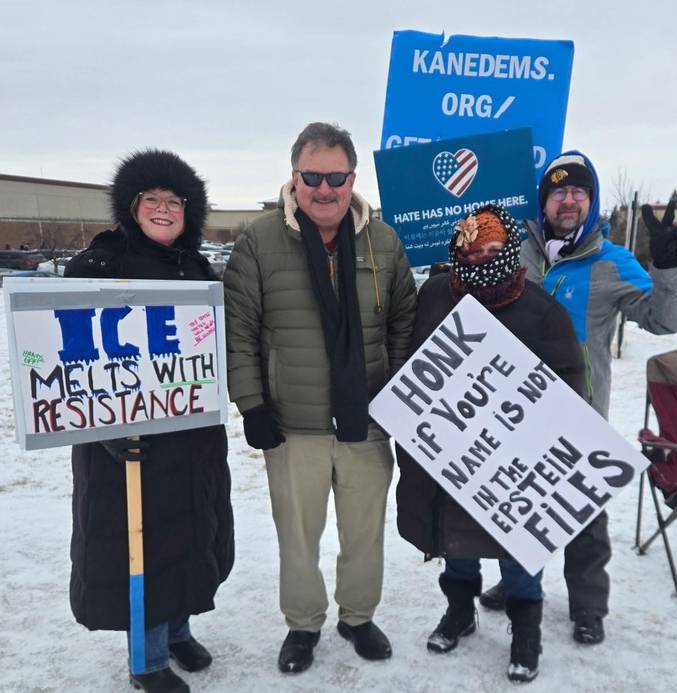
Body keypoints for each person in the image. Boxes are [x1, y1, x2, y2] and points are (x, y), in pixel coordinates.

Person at [224, 122, 417, 675]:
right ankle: (303, 623)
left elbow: (404, 318)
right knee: (297, 537)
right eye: (313, 176)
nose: (324, 189)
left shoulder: (383, 241)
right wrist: (253, 405)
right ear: (294, 177)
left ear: (353, 179)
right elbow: (240, 329)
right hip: (293, 424)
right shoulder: (260, 240)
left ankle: (357, 616)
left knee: (364, 532)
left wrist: (401, 389)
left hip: (368, 422)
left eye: (336, 177)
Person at [479, 151, 677, 645]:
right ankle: (515, 582)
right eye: (558, 191)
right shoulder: (515, 253)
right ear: (544, 200)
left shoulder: (612, 262)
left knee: (584, 515)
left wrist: (670, 268)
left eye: (579, 191)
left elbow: (666, 319)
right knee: (516, 504)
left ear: (591, 201)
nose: (568, 199)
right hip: (515, 409)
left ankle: (588, 605)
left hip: (579, 411)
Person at [64, 150, 235, 693]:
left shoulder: (197, 268)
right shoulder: (99, 264)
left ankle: (178, 628)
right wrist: (104, 427)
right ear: (131, 206)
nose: (163, 209)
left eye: (174, 201)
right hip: (126, 443)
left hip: (189, 438)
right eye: (152, 199)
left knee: (188, 535)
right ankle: (148, 657)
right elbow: (70, 363)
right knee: (143, 544)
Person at [395, 204, 585, 683]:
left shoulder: (542, 309)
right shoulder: (436, 295)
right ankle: (460, 611)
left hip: (515, 460)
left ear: (510, 251)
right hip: (451, 451)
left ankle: (527, 632)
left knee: (519, 547)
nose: (484, 258)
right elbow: (412, 359)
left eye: (495, 249)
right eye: (473, 250)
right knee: (454, 539)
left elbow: (569, 382)